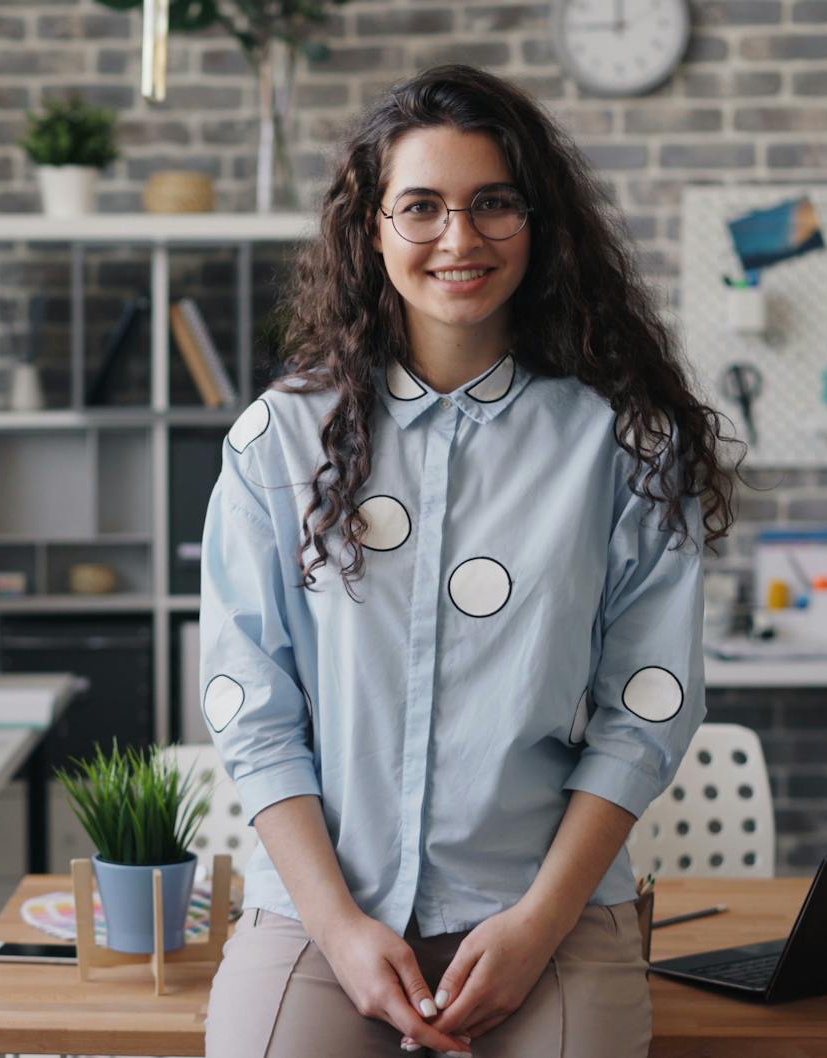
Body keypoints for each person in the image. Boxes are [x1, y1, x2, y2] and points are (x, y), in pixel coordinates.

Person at [196, 63, 738, 1057]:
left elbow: (645, 708)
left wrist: (536, 926)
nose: (459, 238)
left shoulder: (621, 444)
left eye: (493, 203)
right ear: (372, 230)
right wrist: (341, 930)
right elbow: (251, 705)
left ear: (540, 224)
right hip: (324, 909)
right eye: (421, 207)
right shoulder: (277, 440)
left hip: (544, 910)